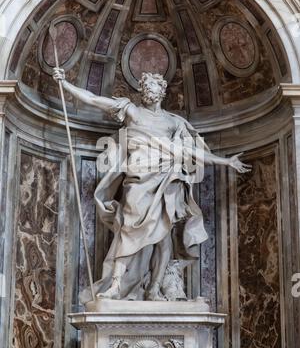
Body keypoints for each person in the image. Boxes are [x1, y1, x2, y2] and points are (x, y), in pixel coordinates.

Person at [53, 69, 251, 303]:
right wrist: (65, 85)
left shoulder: (172, 122)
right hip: (138, 179)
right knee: (128, 228)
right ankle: (116, 285)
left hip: (166, 179)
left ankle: (154, 288)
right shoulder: (132, 111)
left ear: (162, 91)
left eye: (153, 86)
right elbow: (96, 100)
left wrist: (226, 161)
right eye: (144, 87)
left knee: (163, 238)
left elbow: (190, 151)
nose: (148, 91)